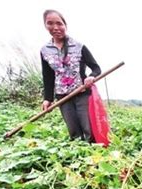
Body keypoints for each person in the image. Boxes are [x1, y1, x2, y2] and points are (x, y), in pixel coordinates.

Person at [40, 9, 101, 142]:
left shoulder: (79, 46)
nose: (55, 27)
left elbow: (96, 68)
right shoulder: (45, 50)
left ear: (65, 25)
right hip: (63, 96)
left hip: (82, 92)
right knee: (74, 131)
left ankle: (94, 157)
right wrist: (47, 98)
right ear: (45, 26)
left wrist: (91, 76)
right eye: (50, 23)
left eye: (59, 23)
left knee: (88, 129)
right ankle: (78, 156)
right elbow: (48, 76)